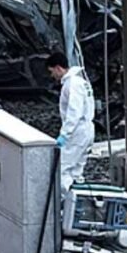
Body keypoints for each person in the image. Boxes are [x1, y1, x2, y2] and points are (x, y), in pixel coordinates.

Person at [46, 52, 95, 195]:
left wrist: (64, 135)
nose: (52, 76)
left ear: (58, 68)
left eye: (51, 71)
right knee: (76, 172)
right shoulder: (81, 81)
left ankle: (62, 205)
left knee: (62, 169)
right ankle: (76, 205)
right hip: (86, 129)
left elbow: (74, 112)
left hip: (77, 131)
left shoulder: (72, 84)